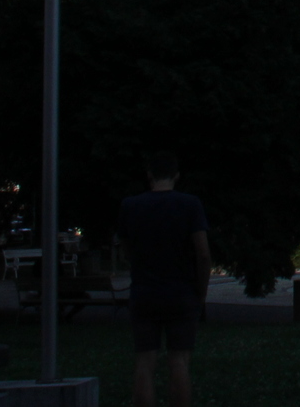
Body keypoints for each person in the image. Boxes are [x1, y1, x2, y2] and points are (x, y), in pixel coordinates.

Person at [117, 151, 210, 407]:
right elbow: (202, 254)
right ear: (176, 175)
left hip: (144, 292)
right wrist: (201, 291)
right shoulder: (190, 204)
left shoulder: (130, 206)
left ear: (149, 176)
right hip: (181, 292)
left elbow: (126, 249)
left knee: (144, 362)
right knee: (179, 361)